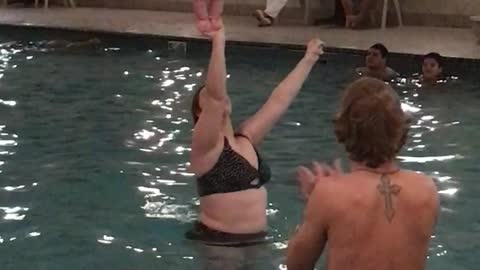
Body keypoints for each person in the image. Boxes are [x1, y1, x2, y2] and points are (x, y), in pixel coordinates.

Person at [186, 18, 324, 247]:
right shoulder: (206, 147)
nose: (219, 96)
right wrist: (219, 41)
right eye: (207, 96)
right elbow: (216, 97)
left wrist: (308, 59)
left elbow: (280, 100)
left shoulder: (246, 138)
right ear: (201, 114)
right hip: (219, 243)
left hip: (258, 241)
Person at [286, 77, 440, 270]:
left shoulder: (328, 194)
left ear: (344, 128)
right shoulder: (427, 189)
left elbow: (296, 265)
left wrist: (315, 204)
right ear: (400, 128)